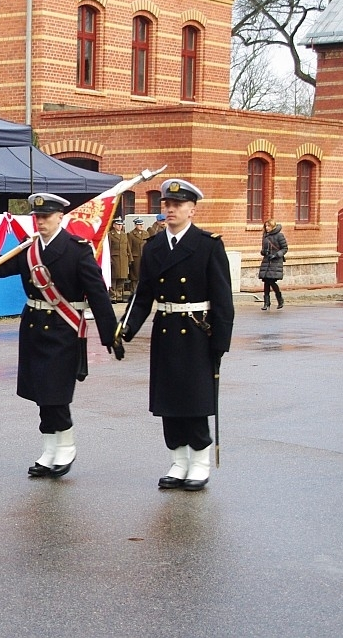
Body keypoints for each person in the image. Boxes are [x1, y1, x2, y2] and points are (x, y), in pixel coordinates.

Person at [0, 192, 123, 477]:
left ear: (60, 217)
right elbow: (6, 264)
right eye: (37, 217)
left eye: (46, 216)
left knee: (56, 394)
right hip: (34, 327)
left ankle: (65, 447)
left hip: (63, 329)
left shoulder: (77, 249)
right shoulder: (30, 249)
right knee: (41, 393)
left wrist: (109, 332)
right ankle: (50, 449)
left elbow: (98, 293)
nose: (40, 222)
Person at [120, 179, 235, 491]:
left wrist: (220, 344)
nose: (170, 209)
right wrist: (125, 329)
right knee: (169, 401)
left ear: (192, 210)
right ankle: (178, 460)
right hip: (167, 331)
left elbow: (223, 300)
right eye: (166, 205)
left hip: (198, 333)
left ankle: (199, 462)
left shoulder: (208, 245)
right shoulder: (154, 247)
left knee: (195, 401)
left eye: (177, 205)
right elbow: (142, 295)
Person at [258, 219, 287, 310]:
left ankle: (279, 299)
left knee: (271, 281)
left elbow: (284, 248)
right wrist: (263, 252)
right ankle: (266, 303)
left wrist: (276, 255)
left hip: (275, 261)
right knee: (266, 281)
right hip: (267, 260)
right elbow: (263, 249)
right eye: (266, 226)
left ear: (273, 226)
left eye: (269, 226)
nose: (267, 228)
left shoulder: (279, 236)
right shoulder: (265, 236)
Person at [108, 217, 131, 301]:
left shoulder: (124, 235)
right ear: (114, 225)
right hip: (115, 258)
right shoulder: (110, 235)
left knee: (122, 278)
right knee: (114, 278)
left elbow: (127, 247)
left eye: (121, 225)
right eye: (118, 225)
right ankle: (112, 296)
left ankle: (119, 296)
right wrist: (109, 259)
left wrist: (130, 258)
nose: (120, 226)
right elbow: (109, 248)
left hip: (124, 258)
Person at [128, 217, 148, 294]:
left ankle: (143, 291)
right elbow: (129, 246)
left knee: (144, 274)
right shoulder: (131, 234)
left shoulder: (146, 233)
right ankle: (134, 291)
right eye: (139, 224)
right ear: (135, 225)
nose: (141, 226)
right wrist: (130, 258)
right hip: (136, 257)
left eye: (142, 224)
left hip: (144, 257)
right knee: (135, 276)